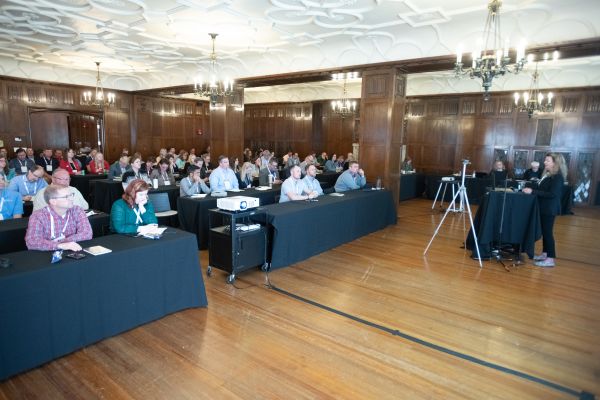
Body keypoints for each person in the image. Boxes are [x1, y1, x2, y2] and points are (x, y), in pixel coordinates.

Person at [522, 153, 567, 268]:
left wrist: (532, 191)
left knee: (547, 233)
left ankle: (550, 259)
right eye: (545, 160)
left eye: (547, 160)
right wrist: (530, 188)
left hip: (549, 209)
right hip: (544, 207)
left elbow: (552, 194)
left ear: (555, 163)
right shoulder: (547, 174)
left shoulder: (557, 177)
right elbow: (542, 188)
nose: (544, 162)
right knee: (545, 232)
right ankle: (545, 253)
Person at [25, 184, 92, 251]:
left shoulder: (77, 210)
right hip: (47, 254)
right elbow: (32, 241)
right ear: (53, 201)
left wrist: (64, 242)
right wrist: (59, 245)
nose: (71, 199)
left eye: (71, 195)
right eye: (66, 197)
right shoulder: (38, 216)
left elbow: (87, 233)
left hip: (72, 251)